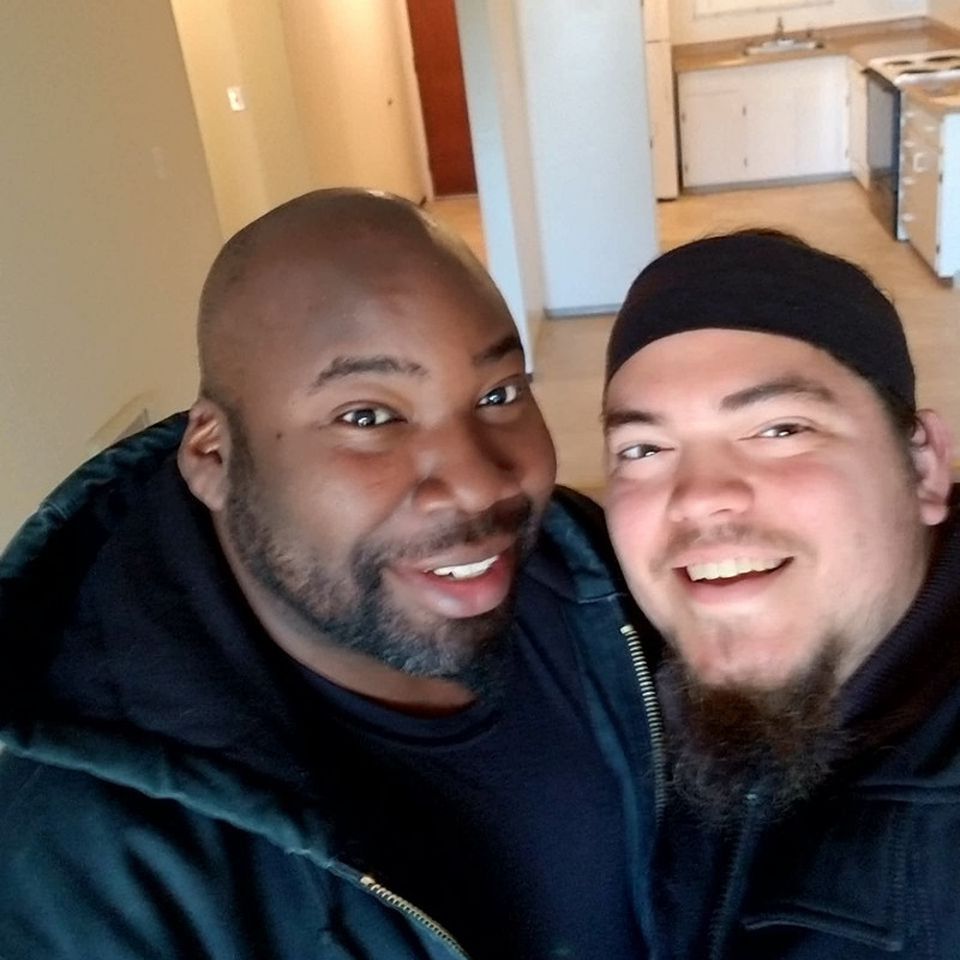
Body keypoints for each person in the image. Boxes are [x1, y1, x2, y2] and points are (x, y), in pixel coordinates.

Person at [0, 190, 659, 959]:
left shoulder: (595, 573)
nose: (479, 483)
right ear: (214, 455)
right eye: (368, 417)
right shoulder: (79, 867)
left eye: (498, 393)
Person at [602, 228, 960, 959]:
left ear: (924, 467)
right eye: (644, 449)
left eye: (780, 428)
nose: (699, 497)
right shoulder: (601, 648)